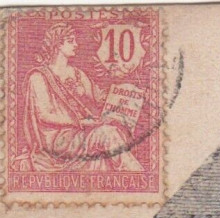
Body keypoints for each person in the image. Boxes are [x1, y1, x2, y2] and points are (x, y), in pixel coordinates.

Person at [22, 23, 142, 173]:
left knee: (115, 131)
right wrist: (80, 122)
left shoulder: (77, 73)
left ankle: (134, 174)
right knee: (108, 133)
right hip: (57, 139)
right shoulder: (38, 77)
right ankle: (137, 174)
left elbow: (100, 99)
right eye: (70, 41)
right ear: (58, 45)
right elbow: (44, 115)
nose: (76, 45)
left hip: (80, 133)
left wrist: (126, 91)